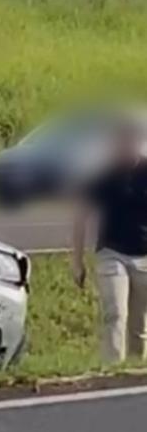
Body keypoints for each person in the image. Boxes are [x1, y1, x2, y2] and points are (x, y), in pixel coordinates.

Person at [72, 116, 147, 363]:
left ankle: (135, 373)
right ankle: (113, 368)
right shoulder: (103, 175)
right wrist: (77, 261)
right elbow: (81, 217)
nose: (125, 147)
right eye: (120, 141)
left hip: (143, 255)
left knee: (139, 325)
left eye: (130, 141)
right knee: (115, 313)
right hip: (111, 253)